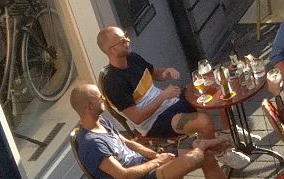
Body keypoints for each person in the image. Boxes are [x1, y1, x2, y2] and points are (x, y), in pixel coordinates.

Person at [71, 83, 272, 179]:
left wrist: (154, 155)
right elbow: (123, 177)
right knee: (198, 155)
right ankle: (204, 144)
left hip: (147, 165)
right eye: (100, 98)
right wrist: (156, 163)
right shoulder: (91, 144)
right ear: (89, 106)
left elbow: (129, 143)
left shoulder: (101, 122)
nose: (104, 100)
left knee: (206, 157)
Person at [97, 26, 247, 169]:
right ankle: (221, 154)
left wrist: (166, 72)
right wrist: (163, 97)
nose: (128, 42)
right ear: (112, 50)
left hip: (170, 102)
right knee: (203, 121)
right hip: (154, 122)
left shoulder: (133, 58)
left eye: (126, 37)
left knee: (214, 87)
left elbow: (155, 73)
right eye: (122, 41)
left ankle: (228, 132)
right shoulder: (113, 82)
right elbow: (137, 118)